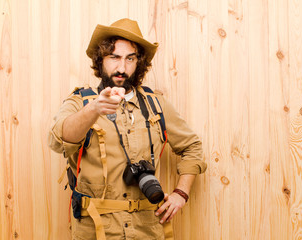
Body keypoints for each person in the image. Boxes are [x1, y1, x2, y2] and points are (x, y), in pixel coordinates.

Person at [48, 18, 207, 240]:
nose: (121, 68)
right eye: (114, 57)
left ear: (138, 63)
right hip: (95, 230)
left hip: (147, 229)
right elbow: (59, 140)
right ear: (101, 59)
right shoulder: (81, 102)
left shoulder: (156, 104)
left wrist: (181, 193)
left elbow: (192, 146)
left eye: (130, 59)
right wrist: (93, 110)